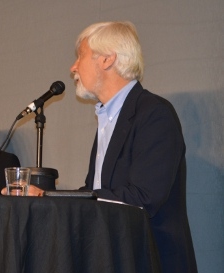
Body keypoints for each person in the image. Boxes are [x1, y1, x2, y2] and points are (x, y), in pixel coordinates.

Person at [67, 21, 197, 272]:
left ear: (107, 59)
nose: (73, 67)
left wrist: (58, 199)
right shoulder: (107, 117)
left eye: (80, 56)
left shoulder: (154, 114)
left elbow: (143, 198)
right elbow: (97, 191)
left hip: (151, 261)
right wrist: (48, 199)